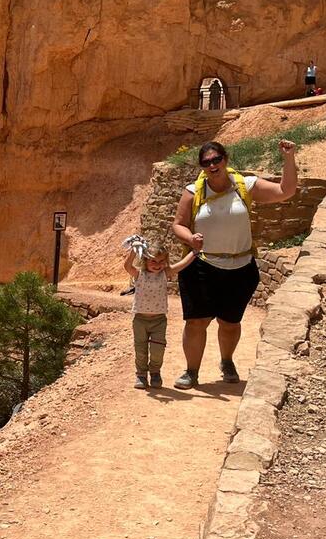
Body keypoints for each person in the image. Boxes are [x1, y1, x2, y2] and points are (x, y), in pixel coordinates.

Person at [171, 138, 298, 389]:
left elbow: (286, 191)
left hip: (240, 267)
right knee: (196, 321)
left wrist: (289, 158)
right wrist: (190, 238)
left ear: (225, 159)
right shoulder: (193, 191)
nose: (212, 165)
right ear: (201, 166)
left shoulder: (245, 186)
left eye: (216, 159)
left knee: (230, 322)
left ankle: (227, 362)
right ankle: (191, 371)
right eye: (206, 162)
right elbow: (178, 224)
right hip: (202, 266)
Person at [123, 241, 195, 389]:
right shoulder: (139, 274)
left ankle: (155, 373)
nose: (157, 264)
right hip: (140, 320)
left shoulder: (164, 274)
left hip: (159, 320)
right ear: (145, 260)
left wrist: (194, 252)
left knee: (158, 349)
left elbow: (181, 264)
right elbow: (127, 266)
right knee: (140, 349)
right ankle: (141, 375)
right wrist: (134, 251)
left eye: (162, 261)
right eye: (153, 261)